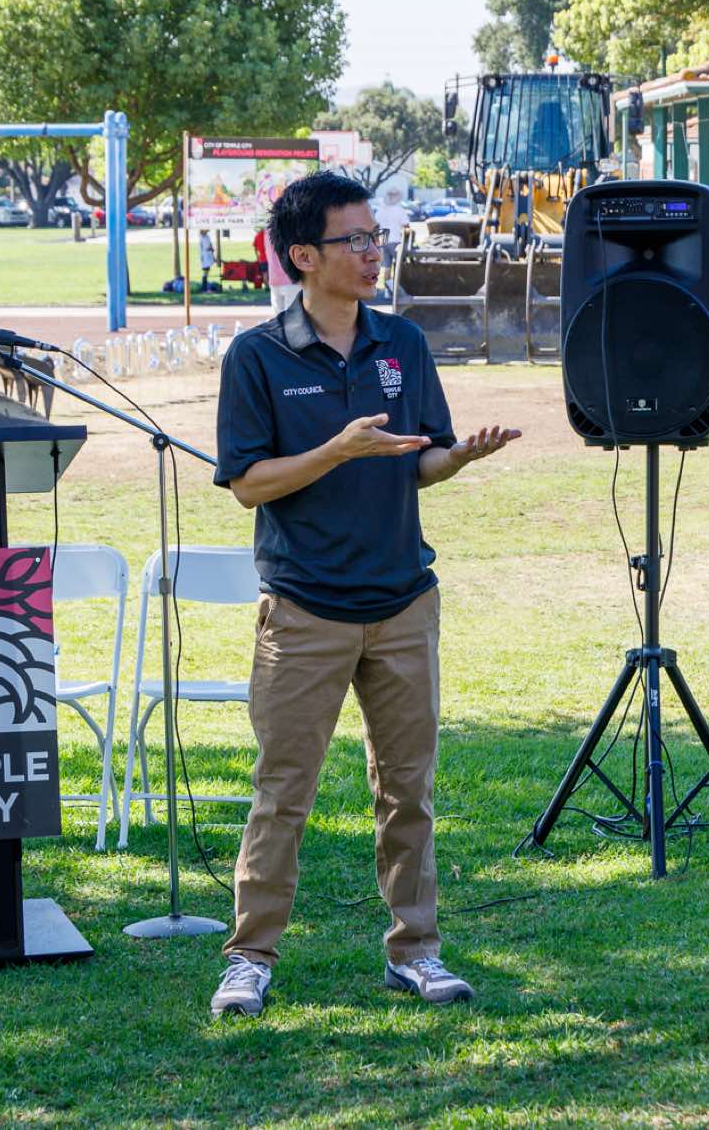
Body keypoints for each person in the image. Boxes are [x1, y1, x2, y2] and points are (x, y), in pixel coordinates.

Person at [208, 171, 521, 1021]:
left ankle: (415, 951)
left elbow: (421, 457)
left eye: (375, 236)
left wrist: (460, 456)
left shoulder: (402, 344)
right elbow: (248, 483)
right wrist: (335, 451)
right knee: (283, 793)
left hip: (403, 602)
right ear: (304, 256)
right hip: (304, 609)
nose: (373, 251)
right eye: (355, 239)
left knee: (408, 791)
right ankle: (249, 958)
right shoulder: (257, 355)